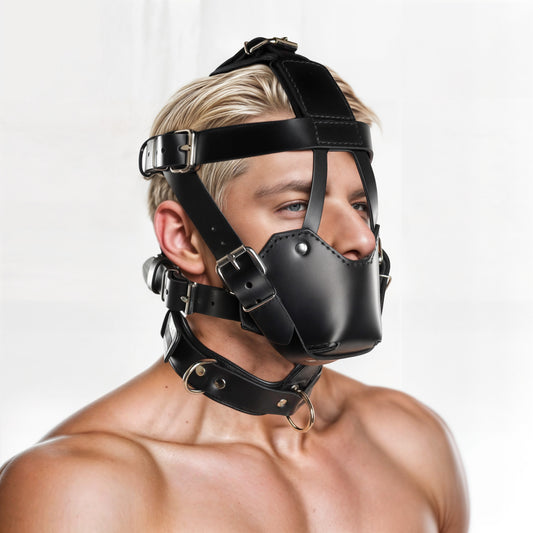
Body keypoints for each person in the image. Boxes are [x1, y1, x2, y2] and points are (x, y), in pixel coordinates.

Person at [0, 37, 469, 532]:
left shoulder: (413, 443)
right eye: (295, 205)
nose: (359, 239)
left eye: (359, 205)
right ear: (184, 239)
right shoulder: (79, 490)